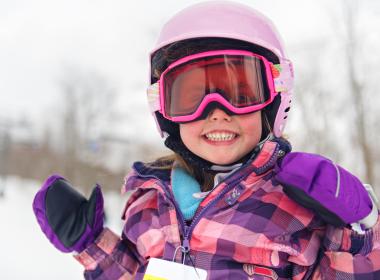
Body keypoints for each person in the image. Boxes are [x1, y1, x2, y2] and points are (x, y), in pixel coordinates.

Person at [33, 1, 380, 279]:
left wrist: (359, 235)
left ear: (275, 98)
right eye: (192, 97)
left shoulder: (296, 210)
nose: (216, 111)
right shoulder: (148, 205)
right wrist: (92, 245)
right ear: (166, 111)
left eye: (240, 92)